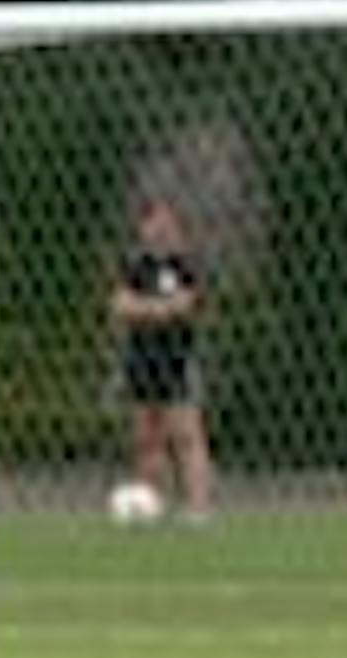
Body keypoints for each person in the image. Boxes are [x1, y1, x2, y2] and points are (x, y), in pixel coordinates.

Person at [110, 198, 215, 521]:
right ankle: (153, 501)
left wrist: (152, 310)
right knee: (146, 437)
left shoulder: (185, 266)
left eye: (166, 224)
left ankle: (199, 506)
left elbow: (187, 304)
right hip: (141, 362)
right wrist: (159, 310)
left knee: (186, 434)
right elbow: (122, 305)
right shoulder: (134, 266)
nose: (159, 230)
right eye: (153, 223)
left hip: (176, 362)